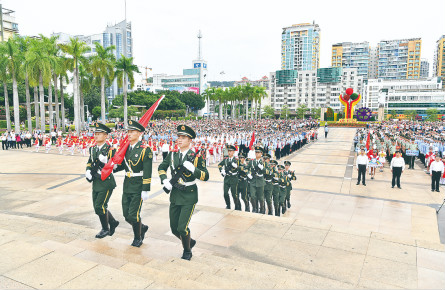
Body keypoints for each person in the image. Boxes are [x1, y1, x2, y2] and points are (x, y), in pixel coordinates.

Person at [158, 124, 209, 261]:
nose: (179, 140)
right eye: (178, 137)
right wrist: (164, 180)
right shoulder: (173, 154)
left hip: (189, 194)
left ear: (190, 140)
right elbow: (161, 167)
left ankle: (187, 250)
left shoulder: (196, 156)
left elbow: (206, 176)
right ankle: (189, 241)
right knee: (174, 229)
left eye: (183, 137)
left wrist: (194, 169)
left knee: (182, 227)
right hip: (175, 194)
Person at [114, 120, 152, 247]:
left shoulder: (145, 150)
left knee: (134, 215)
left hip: (138, 185)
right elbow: (124, 165)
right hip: (127, 184)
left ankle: (138, 237)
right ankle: (142, 227)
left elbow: (147, 171)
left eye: (132, 132)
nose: (129, 134)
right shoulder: (126, 148)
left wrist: (145, 189)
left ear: (139, 133)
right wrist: (113, 167)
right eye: (128, 131)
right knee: (126, 215)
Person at [85, 123, 119, 239]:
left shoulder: (110, 149)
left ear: (105, 136)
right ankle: (113, 222)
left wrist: (106, 163)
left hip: (106, 182)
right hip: (96, 181)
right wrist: (88, 171)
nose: (96, 136)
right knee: (97, 206)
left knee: (100, 206)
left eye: (99, 134)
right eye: (96, 134)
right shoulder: (93, 148)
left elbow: (116, 165)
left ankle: (105, 229)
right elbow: (90, 161)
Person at [218, 145, 241, 210]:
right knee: (225, 193)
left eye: (230, 151)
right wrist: (221, 171)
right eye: (228, 151)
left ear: (233, 152)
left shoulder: (236, 160)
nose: (229, 152)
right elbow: (219, 165)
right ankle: (228, 205)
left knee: (234, 195)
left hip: (234, 178)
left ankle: (237, 207)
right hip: (227, 178)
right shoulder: (225, 160)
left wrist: (237, 167)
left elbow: (242, 168)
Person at [247, 145, 266, 213]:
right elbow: (246, 168)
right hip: (253, 181)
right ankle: (254, 208)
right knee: (252, 196)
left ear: (261, 153)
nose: (257, 154)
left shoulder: (264, 162)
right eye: (256, 152)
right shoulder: (252, 161)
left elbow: (268, 172)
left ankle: (262, 209)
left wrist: (262, 168)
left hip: (260, 181)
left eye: (258, 152)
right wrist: (248, 174)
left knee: (261, 197)